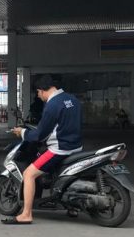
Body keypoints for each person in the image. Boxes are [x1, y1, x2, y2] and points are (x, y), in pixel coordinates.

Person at [5, 74, 82, 225]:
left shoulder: (52, 105)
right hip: (76, 146)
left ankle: (26, 214)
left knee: (29, 174)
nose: (39, 96)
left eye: (38, 93)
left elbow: (40, 135)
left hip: (60, 149)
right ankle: (72, 207)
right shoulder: (73, 99)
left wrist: (22, 132)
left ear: (42, 90)